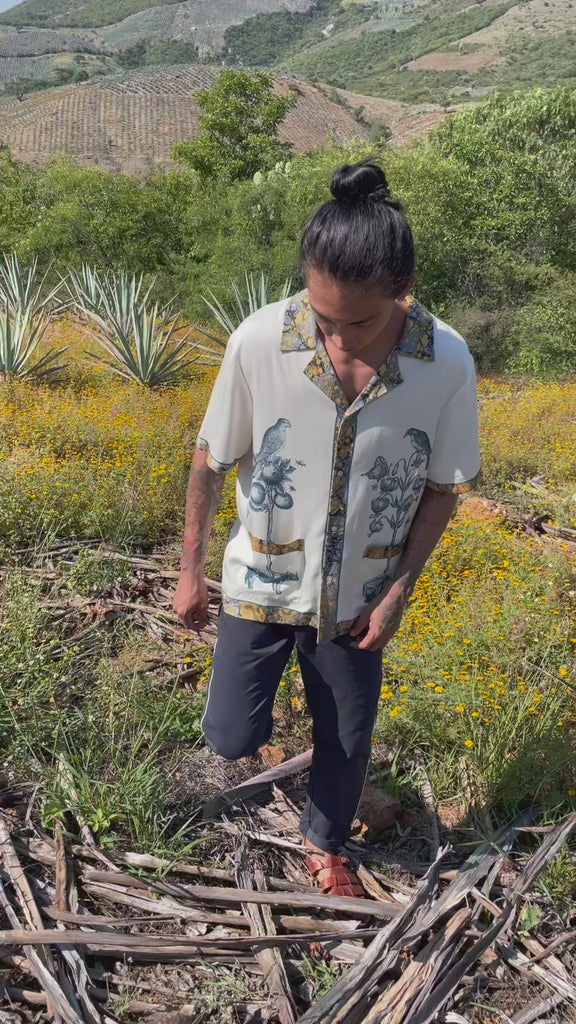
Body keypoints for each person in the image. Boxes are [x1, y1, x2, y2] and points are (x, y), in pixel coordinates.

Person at [173, 161, 481, 897]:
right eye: (322, 316)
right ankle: (270, 729)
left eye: (360, 321)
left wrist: (400, 589)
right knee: (230, 738)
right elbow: (210, 461)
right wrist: (190, 570)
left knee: (346, 741)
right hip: (262, 582)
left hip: (359, 599)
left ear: (403, 292)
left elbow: (443, 490)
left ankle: (326, 841)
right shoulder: (259, 341)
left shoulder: (445, 361)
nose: (336, 338)